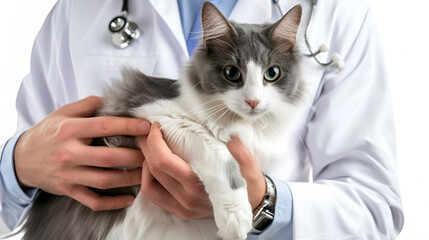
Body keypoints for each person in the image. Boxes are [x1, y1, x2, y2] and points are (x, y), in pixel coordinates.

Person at [0, 0, 404, 239]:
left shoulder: (338, 11)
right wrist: (15, 166)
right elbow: (33, 154)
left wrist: (265, 204)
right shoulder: (80, 7)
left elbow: (374, 206)